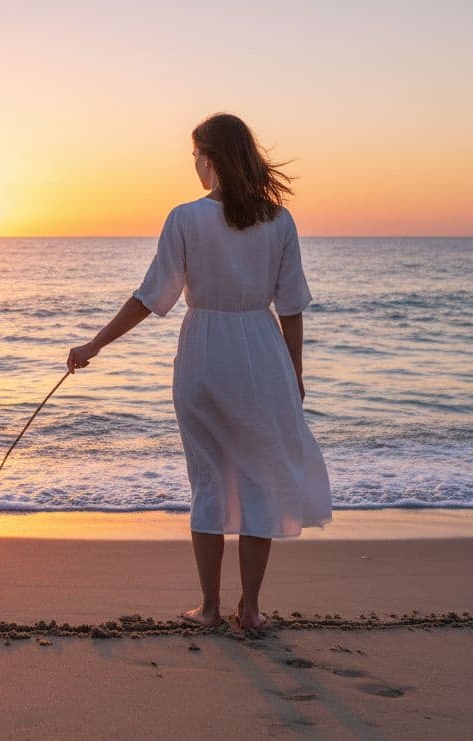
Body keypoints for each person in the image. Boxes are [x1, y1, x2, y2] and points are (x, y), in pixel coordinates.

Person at [66, 113, 331, 631]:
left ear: (208, 158)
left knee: (210, 480)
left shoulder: (185, 219)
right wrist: (295, 374)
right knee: (259, 479)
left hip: (205, 356)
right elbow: (292, 307)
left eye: (194, 155)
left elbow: (150, 298)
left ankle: (209, 608)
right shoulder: (279, 221)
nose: (193, 164)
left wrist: (93, 345)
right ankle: (250, 610)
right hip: (262, 353)